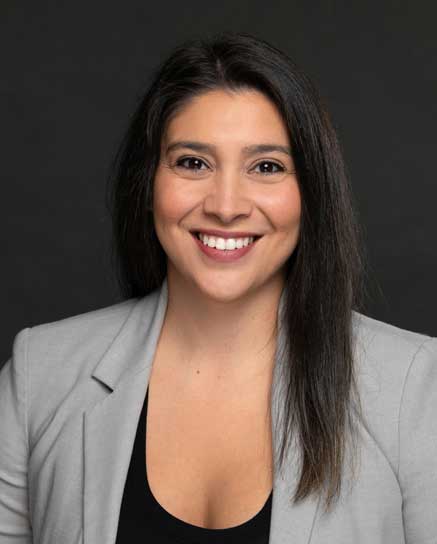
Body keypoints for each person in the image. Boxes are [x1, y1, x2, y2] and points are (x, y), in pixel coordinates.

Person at [0, 31, 436, 544]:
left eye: (266, 167)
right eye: (193, 163)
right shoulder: (41, 375)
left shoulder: (416, 387)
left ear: (310, 191)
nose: (226, 205)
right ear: (149, 183)